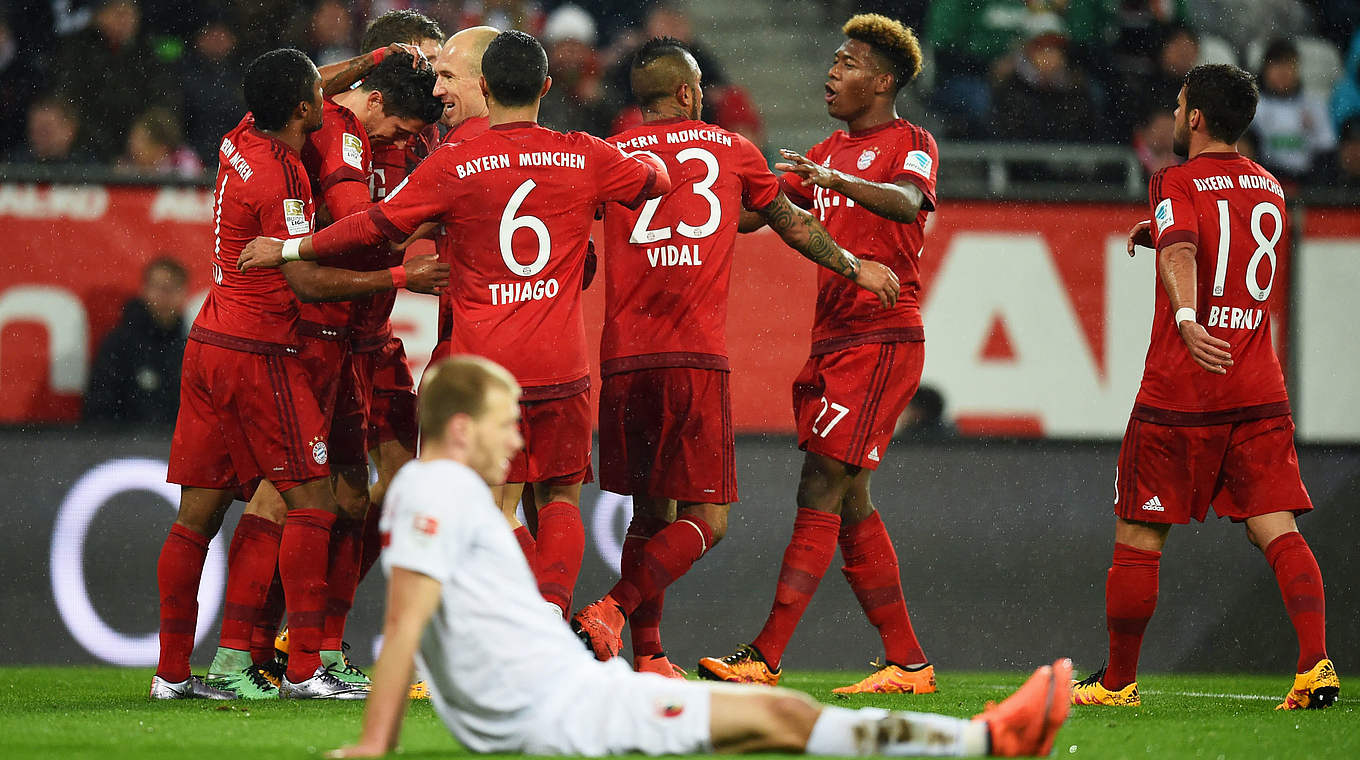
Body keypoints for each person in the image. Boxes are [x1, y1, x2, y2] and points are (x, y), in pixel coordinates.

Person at [326, 355, 1072, 759]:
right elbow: (405, 623)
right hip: (568, 714)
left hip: (570, 696)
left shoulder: (452, 495)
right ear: (460, 428)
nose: (516, 439)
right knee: (776, 718)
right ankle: (982, 743)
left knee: (772, 719)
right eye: (501, 425)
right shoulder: (434, 491)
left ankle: (982, 742)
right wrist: (371, 744)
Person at [238, 30, 672, 622]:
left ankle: (420, 641)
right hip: (561, 365)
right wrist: (642, 161)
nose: (439, 89)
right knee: (562, 497)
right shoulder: (582, 153)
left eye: (448, 77)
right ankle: (548, 614)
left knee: (483, 506)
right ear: (546, 86)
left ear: (485, 87)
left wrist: (290, 249)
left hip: (482, 368)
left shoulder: (454, 159)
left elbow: (375, 227)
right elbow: (657, 182)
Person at [569, 37, 900, 677]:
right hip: (693, 356)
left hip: (623, 359)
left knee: (647, 513)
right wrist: (854, 265)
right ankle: (611, 609)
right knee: (708, 521)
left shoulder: (608, 157)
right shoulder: (732, 149)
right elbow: (790, 222)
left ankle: (650, 655)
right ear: (691, 94)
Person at [151, 47, 448, 701]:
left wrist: (372, 58)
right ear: (302, 110)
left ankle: (172, 676)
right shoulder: (284, 176)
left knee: (195, 517)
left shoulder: (239, 138)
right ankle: (299, 667)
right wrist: (405, 272)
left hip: (210, 338)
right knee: (315, 503)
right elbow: (310, 280)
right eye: (317, 100)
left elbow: (309, 84)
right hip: (265, 348)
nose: (327, 103)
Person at [1071, 63, 1339, 711]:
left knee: (1140, 531)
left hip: (1183, 390)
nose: (1174, 112)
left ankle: (1117, 684)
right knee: (1275, 526)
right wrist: (1163, 232)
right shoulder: (1271, 185)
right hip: (1258, 386)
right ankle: (1314, 666)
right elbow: (1217, 238)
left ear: (1194, 118)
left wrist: (1187, 316)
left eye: (1179, 103)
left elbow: (1186, 251)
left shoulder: (1175, 178)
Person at [698, 14, 942, 697]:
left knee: (820, 485)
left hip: (882, 337)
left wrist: (830, 177)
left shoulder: (909, 142)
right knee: (853, 500)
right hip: (833, 340)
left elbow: (905, 203)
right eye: (833, 58)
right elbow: (761, 213)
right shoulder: (826, 148)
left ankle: (767, 655)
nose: (832, 70)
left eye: (849, 60)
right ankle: (909, 662)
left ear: (883, 80)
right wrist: (724, 177)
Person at [84, 256, 188, 426]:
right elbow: (98, 411)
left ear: (184, 293)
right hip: (124, 449)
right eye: (159, 287)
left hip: (175, 449)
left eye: (172, 288)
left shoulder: (189, 349)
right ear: (145, 290)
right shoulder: (118, 346)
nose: (165, 296)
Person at [1251, 39, 1337, 182]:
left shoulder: (1314, 105)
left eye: (1289, 64)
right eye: (1277, 65)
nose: (1284, 72)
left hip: (1308, 181)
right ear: (1264, 69)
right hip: (1265, 178)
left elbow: (1326, 148)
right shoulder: (1254, 107)